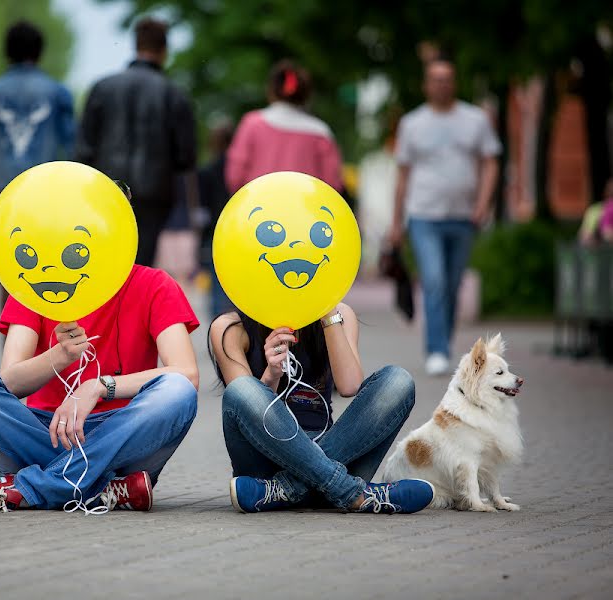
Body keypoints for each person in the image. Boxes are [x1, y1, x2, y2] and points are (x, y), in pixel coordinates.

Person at [0, 264, 200, 512]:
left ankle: (26, 489)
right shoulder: (33, 284)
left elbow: (187, 373)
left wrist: (99, 387)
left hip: (123, 439)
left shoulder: (154, 284)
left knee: (179, 391)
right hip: (42, 435)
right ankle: (101, 489)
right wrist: (60, 356)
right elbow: (11, 383)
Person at [209, 306, 435, 514]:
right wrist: (271, 375)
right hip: (264, 466)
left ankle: (286, 490)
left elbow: (349, 385)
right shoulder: (230, 328)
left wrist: (327, 314)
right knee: (240, 389)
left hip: (327, 454)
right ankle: (354, 494)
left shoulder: (338, 314)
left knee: (398, 381)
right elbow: (246, 407)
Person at [389, 57, 501, 376]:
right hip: (423, 215)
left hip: (464, 216)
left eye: (447, 78)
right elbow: (402, 174)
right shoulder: (412, 123)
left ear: (455, 83)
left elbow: (491, 161)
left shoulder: (474, 119)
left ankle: (444, 341)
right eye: (435, 79)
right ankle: (436, 349)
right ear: (426, 84)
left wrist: (483, 203)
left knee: (452, 285)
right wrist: (396, 222)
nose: (441, 84)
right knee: (434, 280)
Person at [76, 17, 196, 267]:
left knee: (108, 260)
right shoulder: (173, 94)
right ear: (164, 51)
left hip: (108, 190)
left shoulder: (102, 88)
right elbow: (186, 156)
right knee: (141, 264)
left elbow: (83, 149)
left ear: (136, 45)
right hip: (155, 193)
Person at [0, 20, 75, 309]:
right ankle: (41, 339)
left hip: (1, 190)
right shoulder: (58, 93)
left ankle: (11, 341)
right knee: (49, 263)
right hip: (47, 192)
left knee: (8, 266)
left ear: (7, 52)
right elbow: (71, 147)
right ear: (39, 52)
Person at [225, 60, 343, 195]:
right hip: (305, 213)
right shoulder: (321, 133)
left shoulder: (251, 124)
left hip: (258, 210)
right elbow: (332, 185)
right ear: (306, 94)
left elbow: (235, 178)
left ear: (271, 90)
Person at [197, 119, 235, 316]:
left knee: (217, 284)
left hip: (215, 232)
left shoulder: (206, 172)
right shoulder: (241, 169)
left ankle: (218, 330)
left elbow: (201, 209)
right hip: (239, 231)